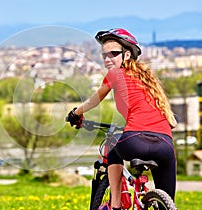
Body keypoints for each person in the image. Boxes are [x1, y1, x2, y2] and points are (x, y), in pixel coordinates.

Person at [67, 28, 177, 210]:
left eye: (114, 54)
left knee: (112, 150)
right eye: (104, 55)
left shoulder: (115, 74)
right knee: (167, 203)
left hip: (134, 140)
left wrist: (75, 114)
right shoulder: (149, 80)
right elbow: (168, 119)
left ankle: (116, 206)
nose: (108, 59)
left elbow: (94, 100)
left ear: (127, 55)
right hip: (165, 145)